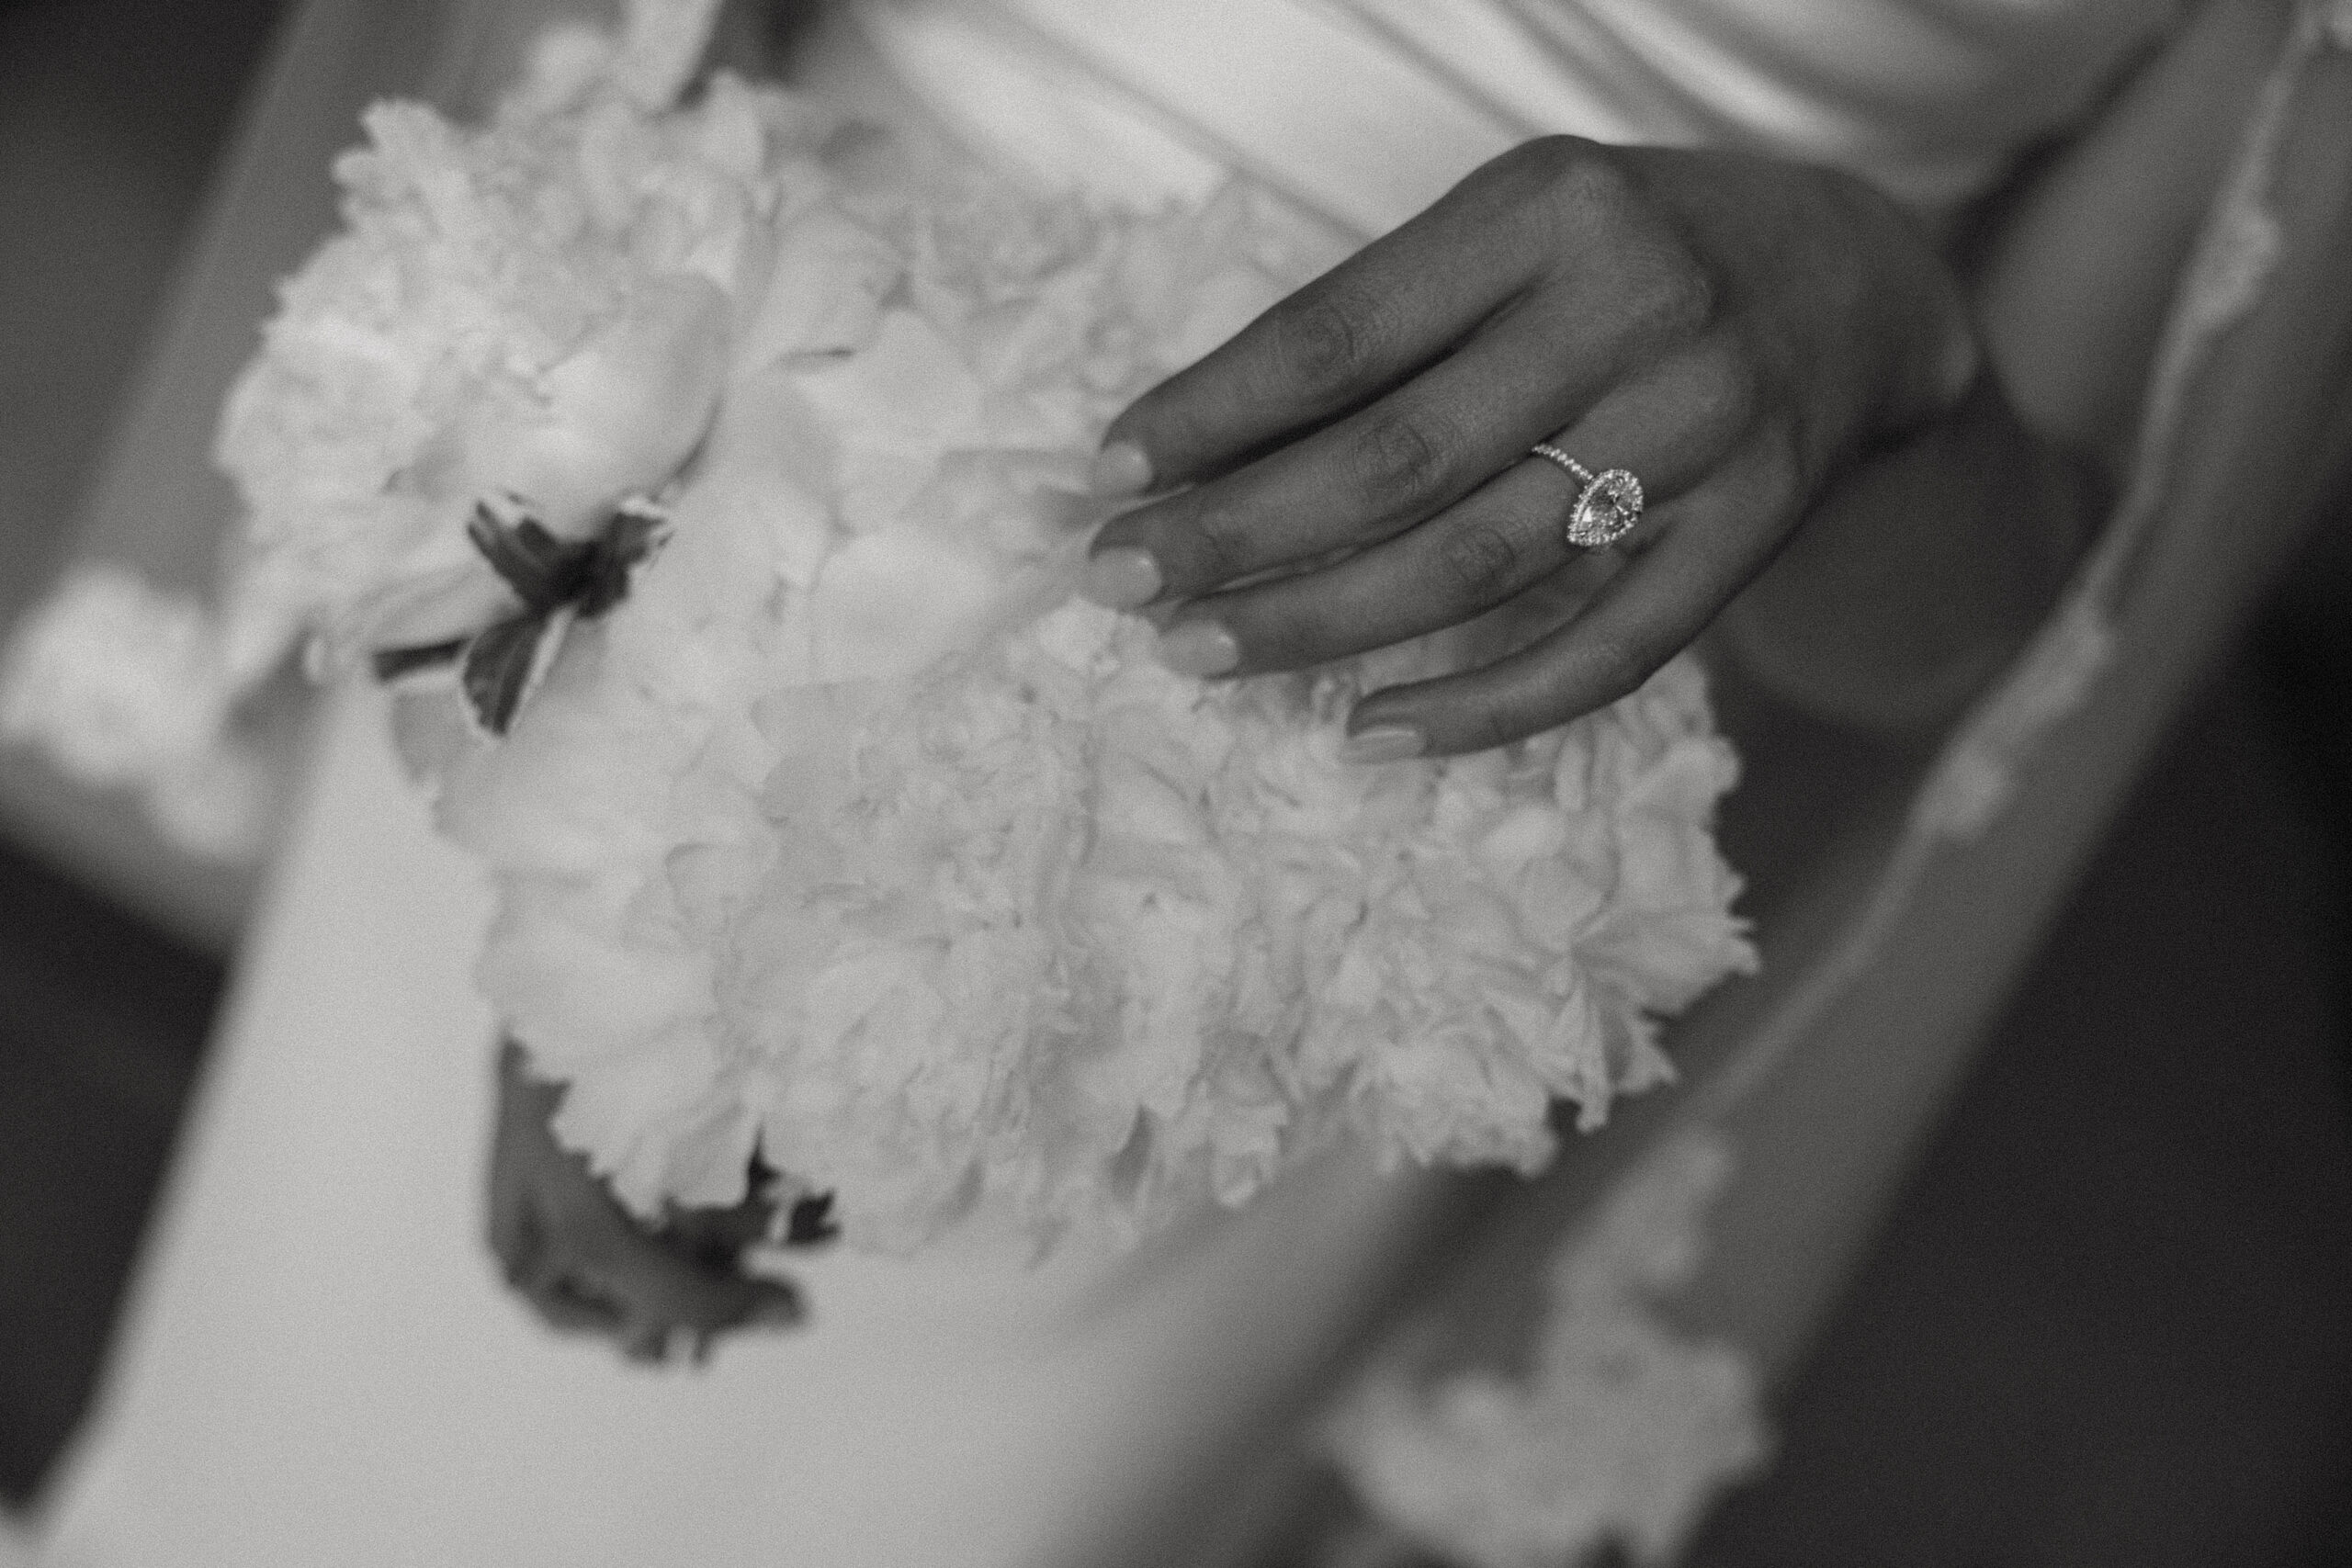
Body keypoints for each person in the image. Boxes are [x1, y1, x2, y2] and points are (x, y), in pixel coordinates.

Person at [30, 1, 2329, 1564]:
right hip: (688, 386)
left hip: (1330, 874)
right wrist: (630, 769)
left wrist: (1880, 336)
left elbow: (1987, 633)